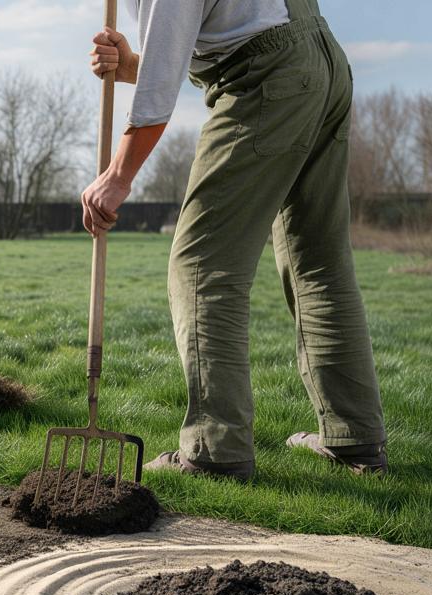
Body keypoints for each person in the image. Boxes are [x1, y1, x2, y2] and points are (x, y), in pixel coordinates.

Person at [81, 0, 387, 481]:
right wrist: (131, 66)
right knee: (319, 263)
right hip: (321, 66)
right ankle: (355, 443)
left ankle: (214, 453)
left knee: (203, 263)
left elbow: (164, 86)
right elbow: (226, 35)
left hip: (269, 81)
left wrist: (118, 176)